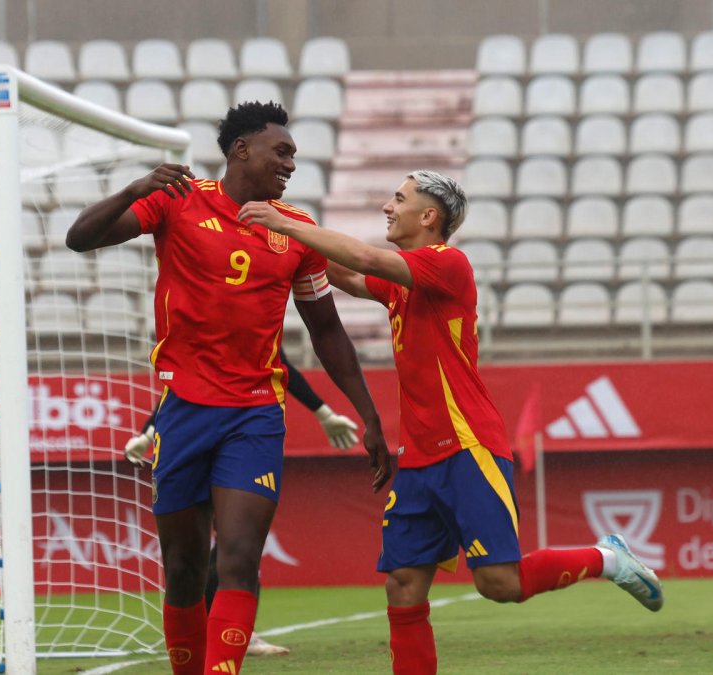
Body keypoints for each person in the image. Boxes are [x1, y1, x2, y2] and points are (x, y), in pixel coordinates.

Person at [239, 170, 663, 674]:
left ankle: (608, 559)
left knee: (500, 583)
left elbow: (365, 259)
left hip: (467, 446)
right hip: (418, 460)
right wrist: (279, 239)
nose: (388, 207)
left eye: (399, 199)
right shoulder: (403, 282)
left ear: (428, 216)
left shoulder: (448, 263)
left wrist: (285, 223)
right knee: (403, 584)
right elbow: (348, 275)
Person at [66, 101, 392, 675]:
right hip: (183, 410)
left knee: (239, 559)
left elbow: (326, 330)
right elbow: (80, 238)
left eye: (293, 155)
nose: (291, 163)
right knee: (184, 569)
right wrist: (135, 188)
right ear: (241, 149)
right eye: (281, 151)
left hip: (255, 414)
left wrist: (368, 414)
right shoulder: (178, 200)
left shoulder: (296, 229)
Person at [124, 347, 360, 657]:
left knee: (238, 545)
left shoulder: (255, 331)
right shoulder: (197, 338)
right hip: (193, 436)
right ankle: (209, 627)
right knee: (199, 554)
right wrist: (148, 432)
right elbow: (183, 384)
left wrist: (323, 413)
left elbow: (281, 365)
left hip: (244, 433)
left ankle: (233, 631)